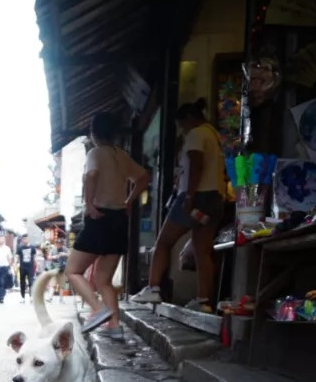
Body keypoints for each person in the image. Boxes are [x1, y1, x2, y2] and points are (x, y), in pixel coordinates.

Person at [131, 98, 225, 313]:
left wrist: (189, 195)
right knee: (203, 251)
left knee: (164, 242)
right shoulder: (214, 135)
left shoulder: (196, 134)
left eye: (181, 125)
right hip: (214, 199)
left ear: (189, 119)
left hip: (195, 197)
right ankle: (203, 301)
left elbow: (196, 164)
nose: (182, 130)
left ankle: (153, 287)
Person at [66, 112, 151, 337]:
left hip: (99, 218)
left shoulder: (95, 153)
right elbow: (144, 177)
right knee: (104, 279)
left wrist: (89, 204)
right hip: (119, 219)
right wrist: (129, 201)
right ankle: (114, 327)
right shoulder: (121, 155)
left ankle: (98, 310)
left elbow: (90, 176)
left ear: (93, 133)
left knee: (72, 270)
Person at [16, 234, 38, 303]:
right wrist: (15, 264)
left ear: (28, 239)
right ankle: (22, 297)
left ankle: (31, 296)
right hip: (22, 267)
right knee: (22, 283)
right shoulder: (20, 247)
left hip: (30, 267)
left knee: (31, 282)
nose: (25, 240)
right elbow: (17, 256)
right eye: (24, 239)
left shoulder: (32, 247)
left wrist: (36, 265)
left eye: (26, 239)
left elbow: (35, 257)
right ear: (22, 240)